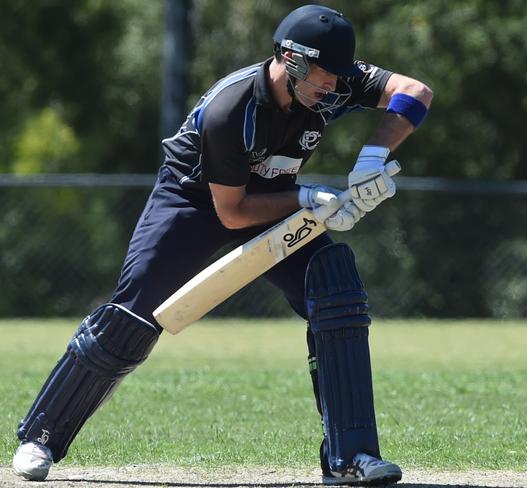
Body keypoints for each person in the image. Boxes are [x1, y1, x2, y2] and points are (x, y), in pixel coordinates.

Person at [12, 4, 432, 485]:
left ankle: (349, 459)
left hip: (273, 197)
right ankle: (41, 436)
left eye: (340, 78)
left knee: (334, 290)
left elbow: (415, 93)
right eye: (324, 77)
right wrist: (308, 197)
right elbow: (232, 212)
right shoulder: (231, 111)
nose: (335, 89)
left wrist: (373, 156)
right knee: (133, 314)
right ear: (291, 60)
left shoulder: (332, 81)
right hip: (193, 200)